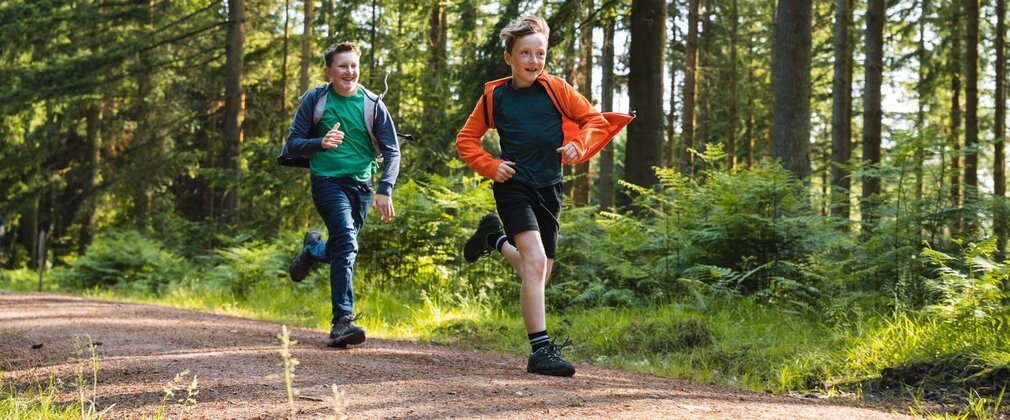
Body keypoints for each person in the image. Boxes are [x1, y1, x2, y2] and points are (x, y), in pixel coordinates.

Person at [455, 16, 633, 376]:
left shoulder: (556, 89)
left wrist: (578, 145)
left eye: (540, 53)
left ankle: (493, 238)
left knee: (536, 273)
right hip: (514, 185)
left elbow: (594, 122)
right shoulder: (494, 97)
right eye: (525, 53)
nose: (533, 60)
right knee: (534, 263)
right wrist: (491, 166)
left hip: (550, 187)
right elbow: (466, 140)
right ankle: (541, 351)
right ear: (509, 57)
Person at [282, 42, 401, 348]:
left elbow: (392, 151)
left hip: (361, 186)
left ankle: (312, 251)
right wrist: (320, 142)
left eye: (353, 66)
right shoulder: (316, 99)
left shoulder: (373, 104)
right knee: (347, 241)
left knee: (340, 247)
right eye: (342, 66)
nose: (349, 71)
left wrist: (384, 189)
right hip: (327, 181)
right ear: (329, 71)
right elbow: (293, 143)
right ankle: (342, 322)